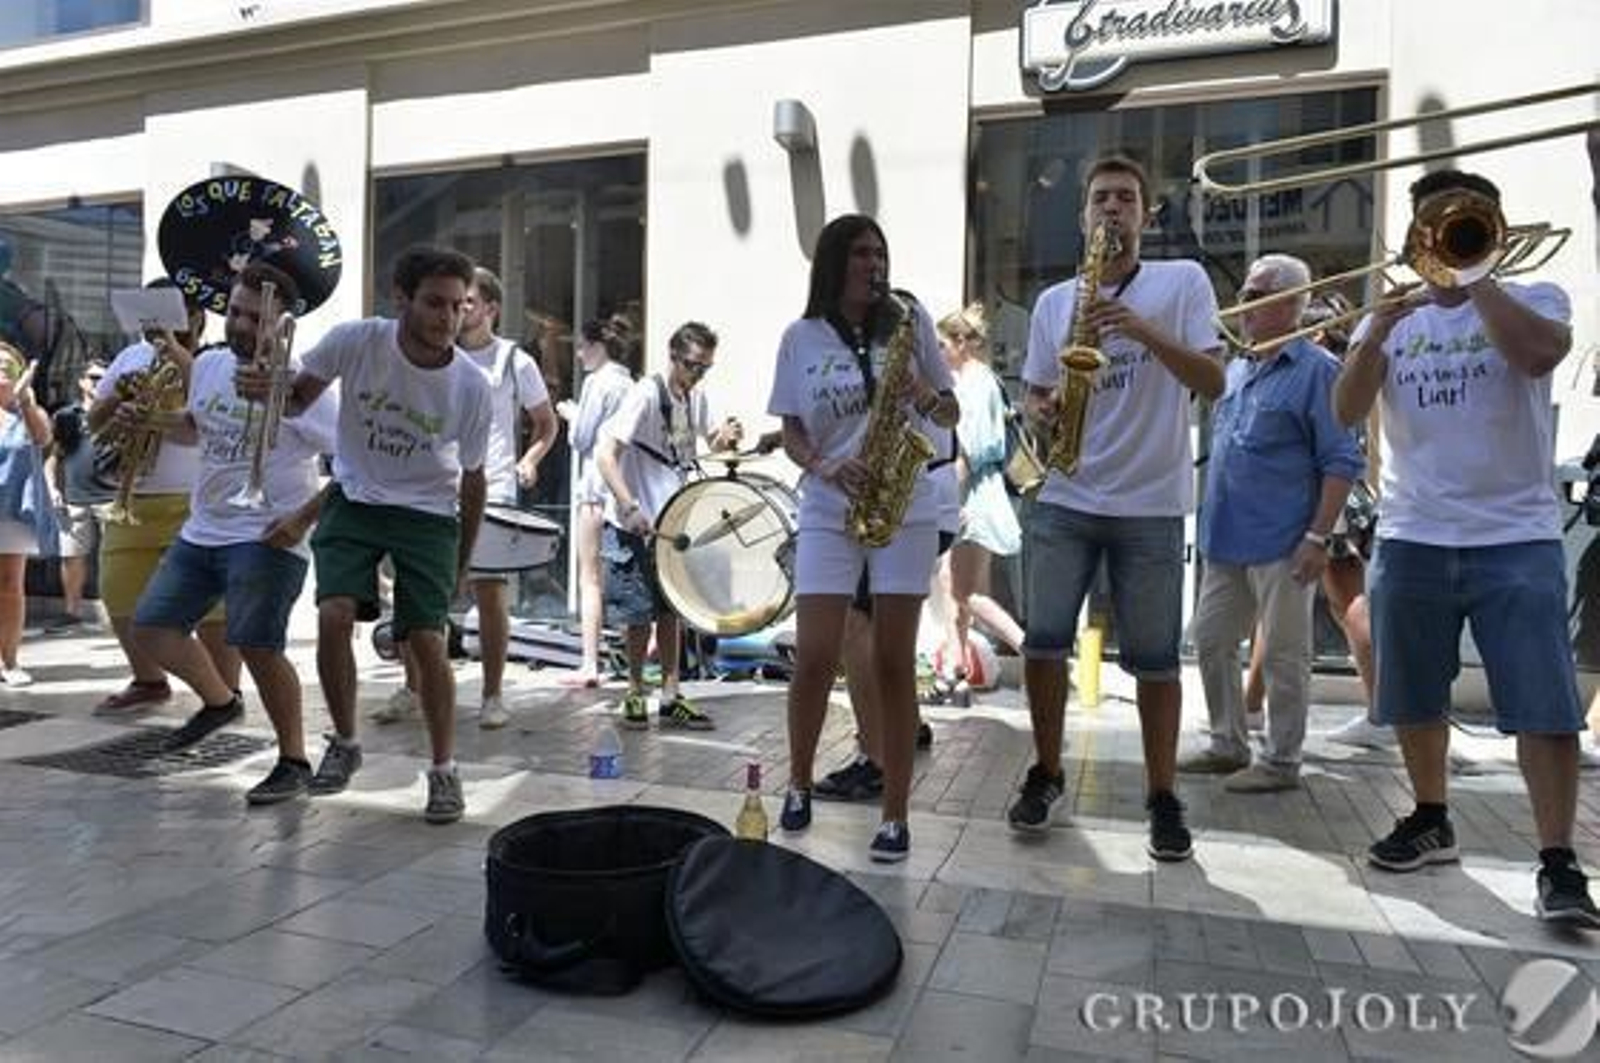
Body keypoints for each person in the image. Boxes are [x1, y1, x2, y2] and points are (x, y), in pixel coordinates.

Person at [1332, 168, 1599, 926]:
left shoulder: (1534, 298)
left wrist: (1477, 276)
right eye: (1437, 226)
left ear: (1494, 228)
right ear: (1413, 236)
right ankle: (1430, 815)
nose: (1448, 239)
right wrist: (1376, 330)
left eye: (1465, 224)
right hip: (1414, 529)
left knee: (1544, 705)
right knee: (1413, 691)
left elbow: (1540, 355)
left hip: (1515, 533)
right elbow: (1345, 408)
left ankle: (1557, 860)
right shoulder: (1390, 317)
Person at [1010, 154, 1224, 860]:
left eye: (1126, 199)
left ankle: (1162, 796)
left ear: (1145, 215)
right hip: (1067, 492)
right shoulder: (1052, 303)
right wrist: (1041, 408)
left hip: (1151, 500)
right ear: (1082, 216)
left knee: (1157, 659)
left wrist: (1136, 328)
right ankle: (1045, 771)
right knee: (1042, 643)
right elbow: (1036, 397)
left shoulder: (1181, 282)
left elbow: (1212, 379)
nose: (1112, 208)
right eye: (1100, 197)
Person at [239, 245, 492, 824]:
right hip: (353, 498)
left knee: (427, 641)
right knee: (332, 615)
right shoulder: (358, 340)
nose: (447, 318)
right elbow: (298, 395)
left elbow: (474, 479)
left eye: (459, 307)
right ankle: (346, 743)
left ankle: (444, 769)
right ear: (402, 298)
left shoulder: (471, 386)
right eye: (434, 303)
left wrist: (464, 562)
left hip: (429, 513)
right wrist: (268, 386)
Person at [767, 213, 960, 863]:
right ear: (833, 264)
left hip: (906, 501)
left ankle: (895, 814)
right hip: (829, 500)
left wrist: (924, 392)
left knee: (892, 661)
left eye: (880, 252)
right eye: (859, 254)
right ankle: (796, 781)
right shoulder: (801, 336)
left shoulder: (912, 321)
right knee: (818, 652)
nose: (873, 264)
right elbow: (793, 431)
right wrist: (824, 464)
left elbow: (950, 413)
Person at [130, 264, 338, 802]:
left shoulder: (304, 384)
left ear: (281, 322)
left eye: (254, 316)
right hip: (205, 528)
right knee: (151, 628)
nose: (240, 324)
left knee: (256, 644)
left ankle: (293, 760)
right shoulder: (211, 365)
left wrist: (299, 521)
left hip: (270, 531)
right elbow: (197, 429)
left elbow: (355, 468)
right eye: (235, 312)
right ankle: (221, 703)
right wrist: (150, 419)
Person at [1179, 254, 1363, 792]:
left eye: (1256, 293)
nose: (1243, 304)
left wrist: (1317, 537)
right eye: (1244, 292)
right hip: (1227, 538)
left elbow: (1341, 460)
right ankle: (1227, 742)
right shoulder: (1237, 367)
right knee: (1211, 640)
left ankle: (1282, 761)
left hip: (1285, 540)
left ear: (1290, 304)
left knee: (1285, 653)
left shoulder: (1318, 370)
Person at [370, 267, 556, 730]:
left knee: (490, 594)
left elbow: (546, 422)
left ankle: (493, 695)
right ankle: (412, 688)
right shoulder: (434, 354)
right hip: (432, 485)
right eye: (452, 303)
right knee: (416, 588)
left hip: (492, 483)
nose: (458, 310)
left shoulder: (514, 360)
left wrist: (531, 458)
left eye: (468, 302)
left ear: (490, 308)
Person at [89, 280, 242, 715]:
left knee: (213, 609)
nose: (153, 328)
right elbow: (95, 423)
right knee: (119, 597)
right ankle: (149, 680)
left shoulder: (212, 361)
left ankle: (227, 691)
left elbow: (205, 422)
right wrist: (119, 405)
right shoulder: (130, 358)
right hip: (133, 498)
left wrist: (156, 409)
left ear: (194, 317)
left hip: (193, 500)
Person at [595, 321, 740, 731]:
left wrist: (725, 437)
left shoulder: (695, 396)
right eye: (694, 366)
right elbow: (606, 455)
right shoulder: (644, 395)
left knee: (671, 608)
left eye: (706, 367)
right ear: (673, 357)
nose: (699, 375)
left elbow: (707, 441)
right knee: (638, 611)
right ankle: (635, 692)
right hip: (636, 521)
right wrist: (628, 505)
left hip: (673, 520)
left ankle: (672, 695)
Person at [933, 303, 1024, 701]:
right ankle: (955, 667)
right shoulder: (976, 380)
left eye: (941, 344)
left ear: (960, 343)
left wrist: (949, 502)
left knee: (968, 591)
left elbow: (970, 450)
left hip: (973, 496)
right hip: (976, 494)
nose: (937, 352)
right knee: (952, 582)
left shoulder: (975, 383)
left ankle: (1031, 649)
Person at [555, 316, 635, 687]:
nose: (579, 354)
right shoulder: (631, 384)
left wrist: (571, 414)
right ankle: (621, 659)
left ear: (598, 346)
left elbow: (581, 438)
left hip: (593, 488)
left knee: (589, 577)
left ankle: (590, 663)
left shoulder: (596, 383)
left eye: (583, 347)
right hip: (622, 489)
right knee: (619, 576)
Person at [0, 343, 54, 684]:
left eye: (10, 365)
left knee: (10, 586)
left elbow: (43, 437)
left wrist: (25, 401)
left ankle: (9, 661)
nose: (3, 370)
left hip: (12, 508)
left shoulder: (27, 410)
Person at [45, 362, 110, 633]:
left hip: (112, 497)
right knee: (71, 557)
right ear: (82, 381)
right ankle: (72, 613)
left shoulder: (118, 413)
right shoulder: (66, 416)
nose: (98, 383)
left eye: (105, 379)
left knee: (113, 558)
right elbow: (52, 456)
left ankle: (112, 616)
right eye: (94, 378)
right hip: (74, 497)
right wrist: (52, 487)